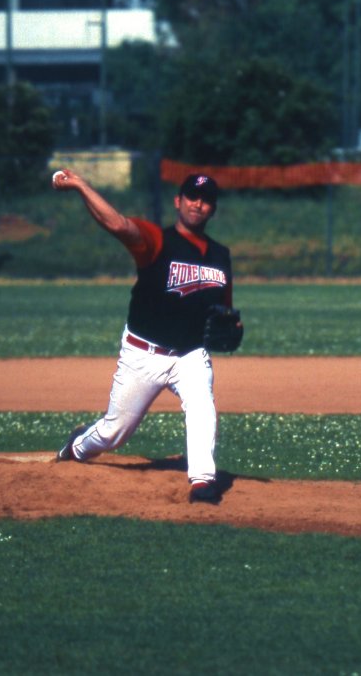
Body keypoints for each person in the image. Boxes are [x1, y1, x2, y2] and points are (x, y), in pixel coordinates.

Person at [51, 169, 239, 504]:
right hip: (144, 353)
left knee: (202, 407)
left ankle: (202, 482)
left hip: (191, 354)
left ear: (213, 208)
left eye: (206, 200)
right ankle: (77, 445)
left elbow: (223, 308)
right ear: (178, 201)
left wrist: (233, 327)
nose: (198, 204)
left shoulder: (220, 256)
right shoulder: (157, 241)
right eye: (192, 197)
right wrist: (81, 186)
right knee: (115, 432)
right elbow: (117, 225)